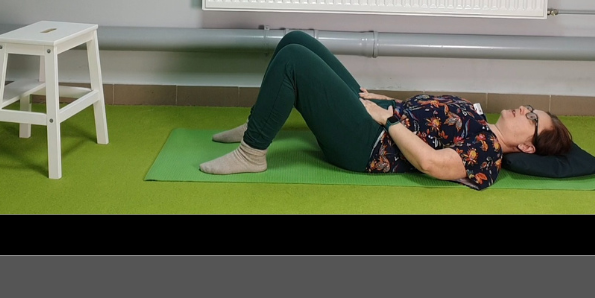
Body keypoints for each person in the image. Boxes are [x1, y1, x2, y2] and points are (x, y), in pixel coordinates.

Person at [200, 30, 573, 190]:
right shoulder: (478, 118)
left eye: (532, 118)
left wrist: (390, 119)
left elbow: (432, 163)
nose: (524, 110)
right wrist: (385, 101)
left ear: (527, 147)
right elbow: (429, 114)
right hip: (379, 115)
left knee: (294, 60)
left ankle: (252, 154)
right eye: (531, 109)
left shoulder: (488, 153)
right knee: (296, 40)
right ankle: (259, 122)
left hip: (368, 144)